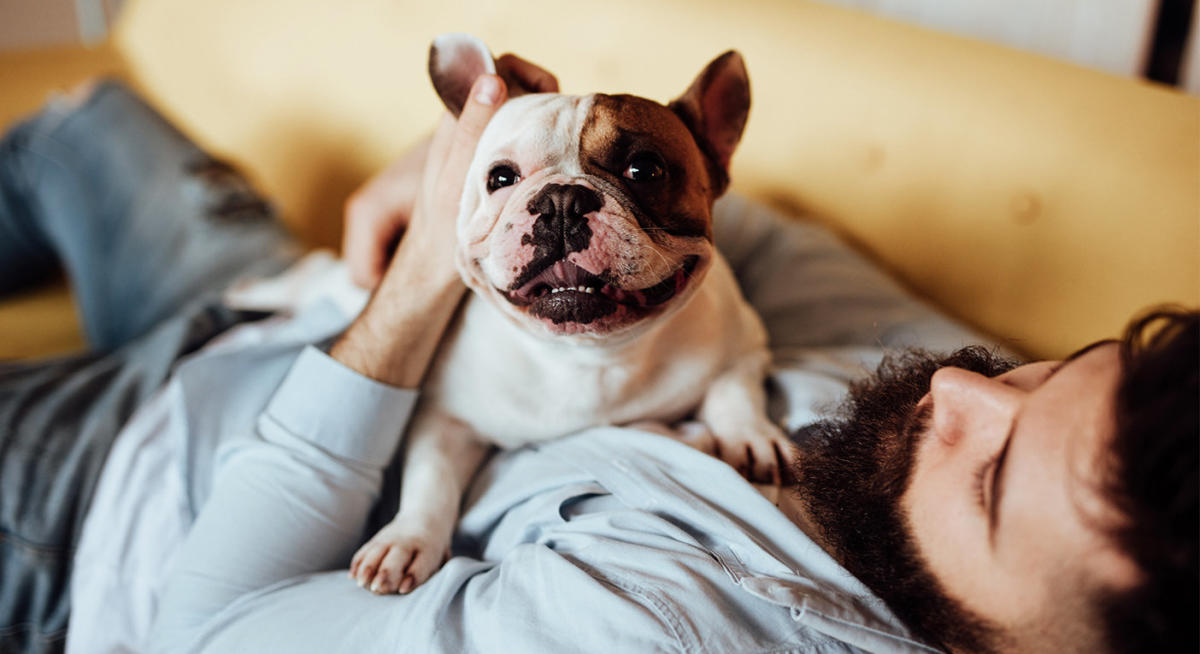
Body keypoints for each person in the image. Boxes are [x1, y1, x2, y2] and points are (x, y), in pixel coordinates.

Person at [0, 63, 1194, 654]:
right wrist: (464, 177)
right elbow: (731, 219)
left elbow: (203, 632)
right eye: (1037, 370)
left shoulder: (658, 620)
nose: (957, 389)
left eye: (988, 478)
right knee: (85, 122)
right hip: (284, 301)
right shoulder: (945, 409)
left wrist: (430, 270)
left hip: (118, 493)